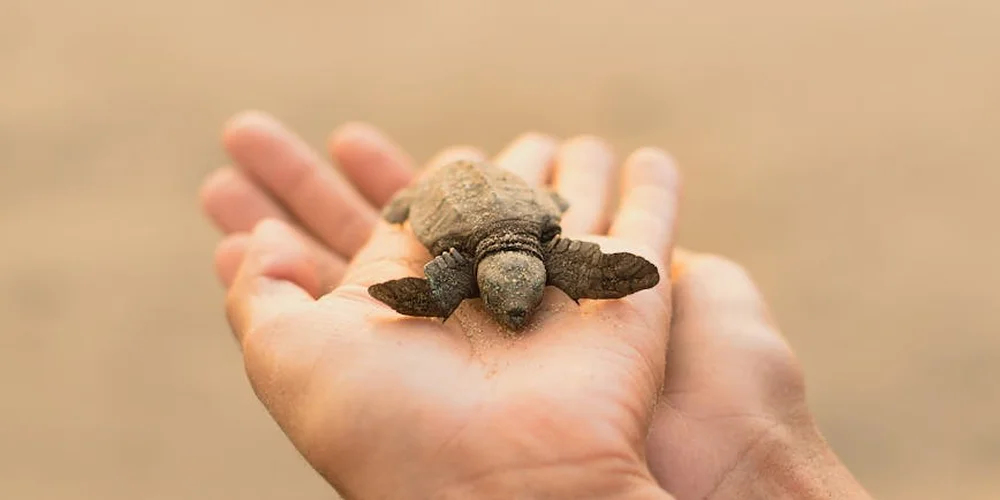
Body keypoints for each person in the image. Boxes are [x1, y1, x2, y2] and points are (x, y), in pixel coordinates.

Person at [198, 111, 874, 499]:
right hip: (455, 202)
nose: (515, 315)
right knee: (418, 250)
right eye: (504, 301)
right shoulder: (456, 260)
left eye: (521, 302)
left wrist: (757, 458)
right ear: (477, 278)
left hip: (524, 209)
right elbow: (428, 279)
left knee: (602, 265)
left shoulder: (553, 248)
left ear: (545, 265)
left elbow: (614, 269)